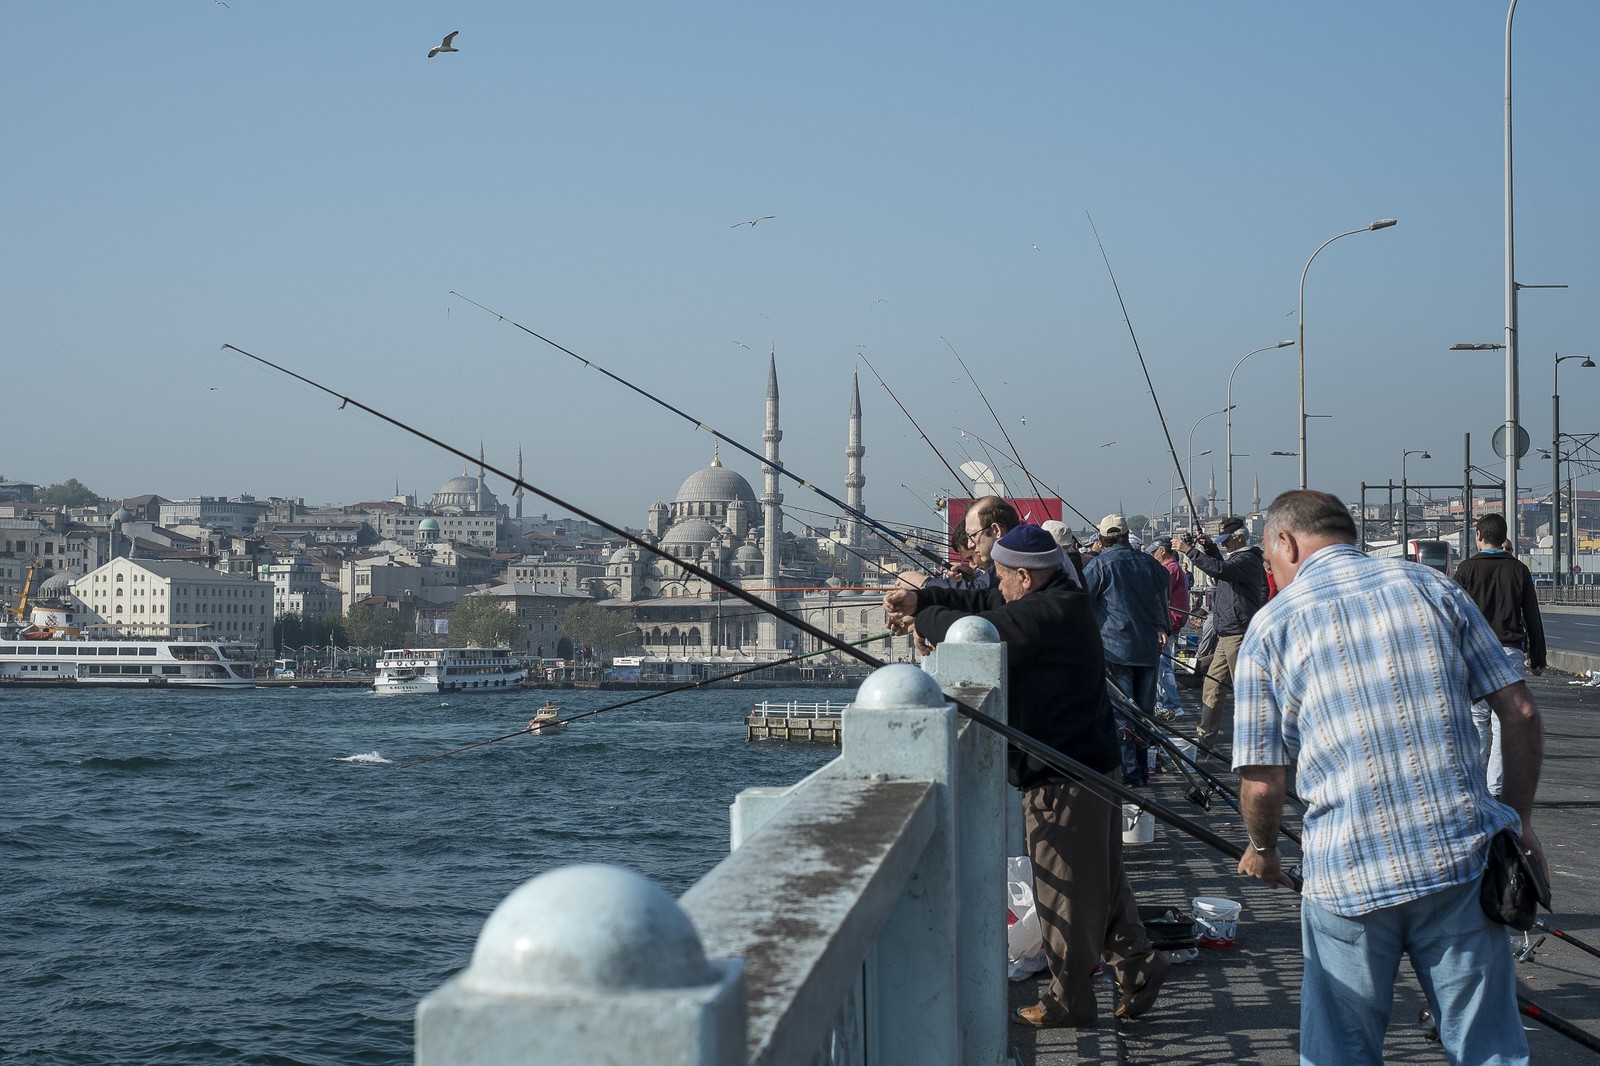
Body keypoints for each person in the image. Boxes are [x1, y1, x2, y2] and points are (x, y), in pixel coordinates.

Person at [1234, 490, 1544, 1066]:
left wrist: (1264, 849)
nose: (1273, 572)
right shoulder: (1433, 587)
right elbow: (1521, 712)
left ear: (1286, 543)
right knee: (1489, 1050)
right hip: (1459, 860)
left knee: (1340, 1052)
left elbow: (1262, 782)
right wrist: (1517, 820)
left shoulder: (1271, 626)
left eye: (1270, 560)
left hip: (1346, 873)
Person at [883, 524, 1170, 1028]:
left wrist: (922, 619)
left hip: (1062, 775)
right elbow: (981, 602)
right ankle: (1139, 965)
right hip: (1091, 762)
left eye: (1002, 575)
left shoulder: (1044, 614)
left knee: (1065, 891)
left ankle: (1069, 1000)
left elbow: (977, 626)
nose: (996, 583)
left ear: (1025, 577)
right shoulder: (1059, 597)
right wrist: (922, 598)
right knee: (1103, 880)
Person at [1453, 512, 1547, 798]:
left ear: (1479, 536)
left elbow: (1451, 617)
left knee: (1475, 721)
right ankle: (1494, 789)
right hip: (1509, 653)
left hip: (1474, 653)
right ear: (1504, 537)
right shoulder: (1519, 570)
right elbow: (1532, 617)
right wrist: (1538, 659)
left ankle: (1476, 788)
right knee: (1503, 724)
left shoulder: (1466, 570)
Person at [1082, 513, 1171, 786]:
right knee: (1144, 714)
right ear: (1125, 535)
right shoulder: (1148, 562)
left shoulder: (1100, 565)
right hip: (1147, 648)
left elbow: (1082, 598)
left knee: (1122, 714)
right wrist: (1161, 624)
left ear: (1101, 539)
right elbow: (1164, 583)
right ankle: (1142, 771)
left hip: (1114, 650)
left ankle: (1130, 774)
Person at [1182, 515, 1268, 755]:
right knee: (1212, 688)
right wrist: (1209, 547)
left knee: (1246, 692)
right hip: (1226, 633)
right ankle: (1204, 743)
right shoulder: (1238, 560)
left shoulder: (1248, 560)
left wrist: (1190, 551)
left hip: (1239, 633)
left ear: (1239, 538)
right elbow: (1222, 567)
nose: (1226, 544)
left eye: (1227, 540)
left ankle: (1255, 745)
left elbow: (1221, 569)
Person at [1148, 536, 1189, 720]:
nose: (1152, 555)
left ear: (1162, 551)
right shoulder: (1174, 567)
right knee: (1163, 664)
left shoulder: (1169, 569)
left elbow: (1159, 594)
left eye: (1154, 551)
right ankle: (1165, 703)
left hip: (1169, 622)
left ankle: (1173, 704)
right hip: (1173, 620)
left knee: (1164, 666)